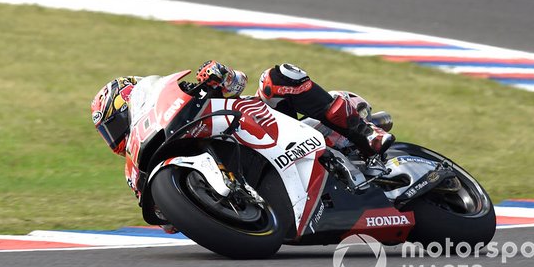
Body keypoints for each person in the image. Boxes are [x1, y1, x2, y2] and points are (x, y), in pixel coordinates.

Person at [90, 60, 394, 158]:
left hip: (262, 124)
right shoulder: (137, 168)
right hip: (250, 167)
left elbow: (238, 84)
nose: (112, 136)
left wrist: (218, 77)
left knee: (278, 76)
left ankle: (365, 132)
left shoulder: (174, 104)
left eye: (112, 125)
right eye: (107, 132)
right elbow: (165, 220)